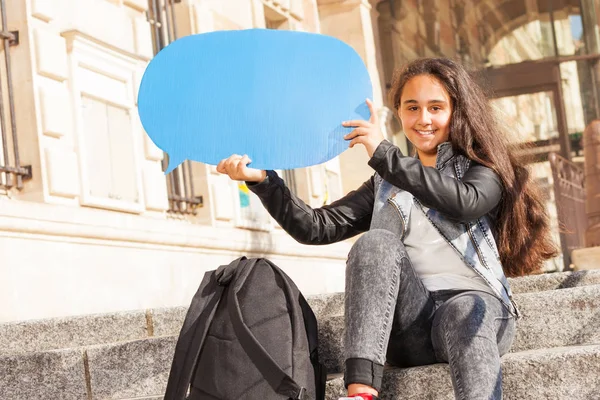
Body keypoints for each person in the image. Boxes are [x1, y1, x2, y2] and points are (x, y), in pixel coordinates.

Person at [216, 57, 558, 400]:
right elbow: (316, 227)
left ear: (457, 111)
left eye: (436, 107)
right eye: (412, 108)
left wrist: (384, 154)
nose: (423, 119)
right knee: (376, 242)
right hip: (411, 328)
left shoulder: (482, 170)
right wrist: (263, 181)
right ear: (399, 114)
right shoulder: (386, 181)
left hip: (478, 316)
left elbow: (465, 202)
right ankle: (361, 392)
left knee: (462, 309)